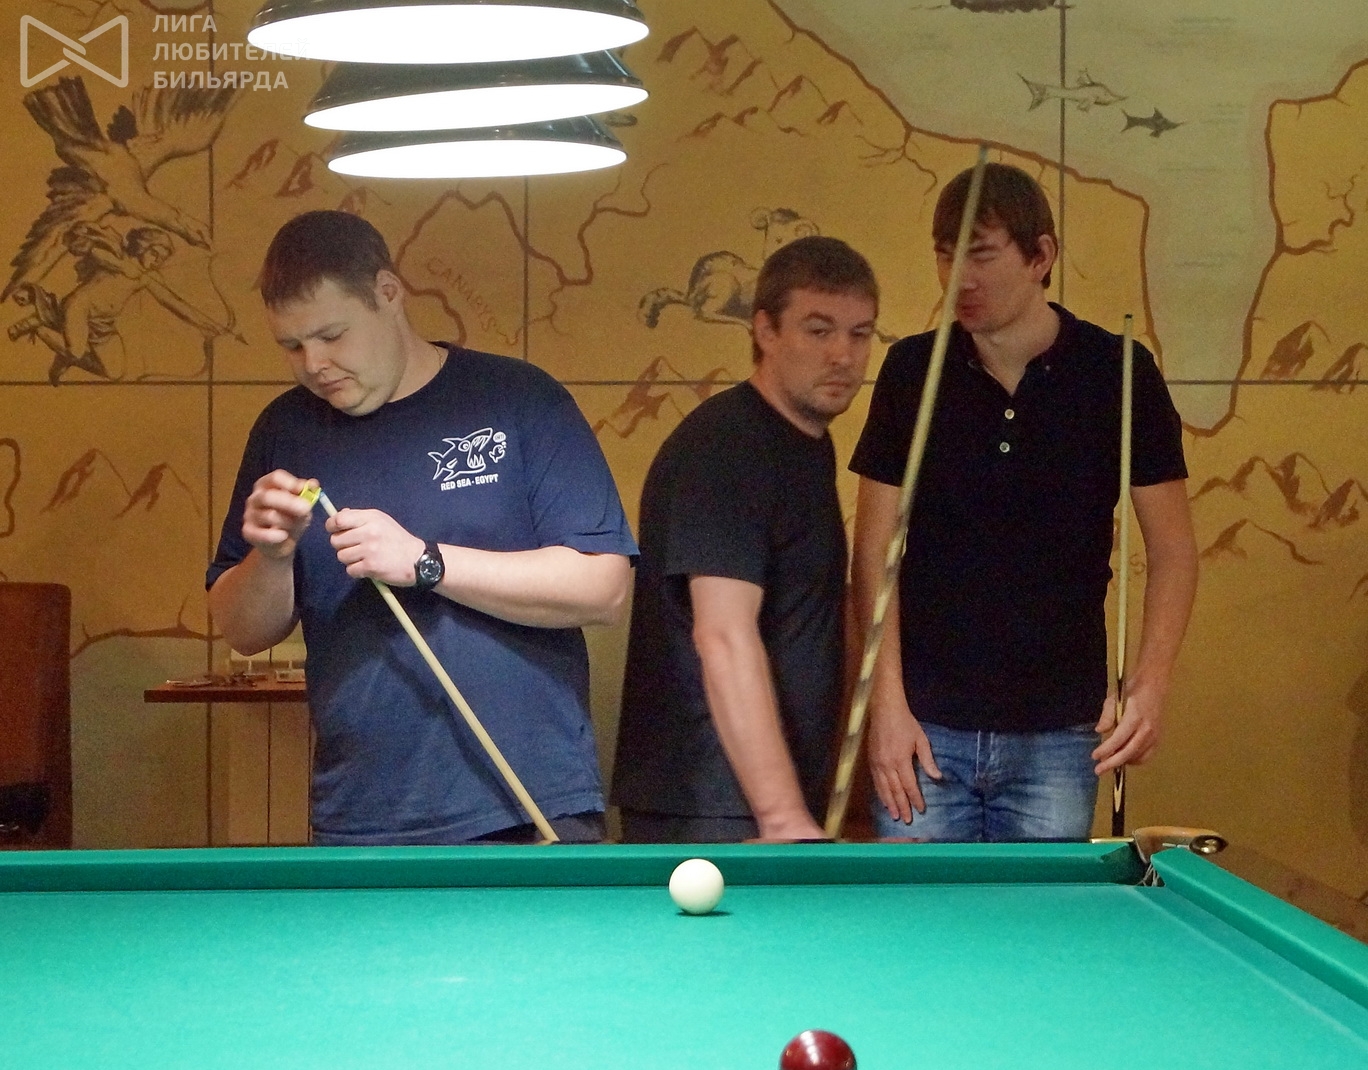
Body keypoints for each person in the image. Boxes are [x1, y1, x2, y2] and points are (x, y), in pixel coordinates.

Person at [207, 210, 636, 845]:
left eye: (331, 335)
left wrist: (424, 562)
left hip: (531, 806)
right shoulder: (285, 430)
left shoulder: (518, 399)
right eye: (292, 346)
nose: (314, 364)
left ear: (388, 292)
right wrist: (269, 558)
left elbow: (603, 589)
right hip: (361, 816)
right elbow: (242, 631)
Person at [850, 163, 1198, 842]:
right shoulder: (912, 371)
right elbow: (873, 556)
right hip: (925, 725)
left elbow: (1175, 553)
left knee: (1042, 910)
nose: (960, 277)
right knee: (918, 910)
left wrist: (1150, 686)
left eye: (981, 255)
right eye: (945, 255)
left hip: (1061, 733)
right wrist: (884, 707)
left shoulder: (1119, 373)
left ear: (1041, 256)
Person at [612, 236, 879, 842]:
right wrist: (781, 814)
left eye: (860, 334)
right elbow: (723, 634)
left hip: (756, 804)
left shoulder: (804, 442)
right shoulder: (726, 448)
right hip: (712, 806)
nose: (843, 355)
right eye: (818, 330)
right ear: (765, 330)